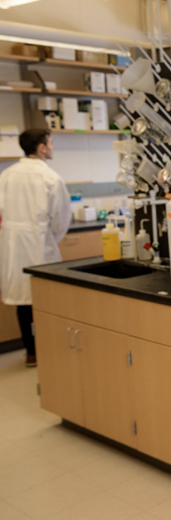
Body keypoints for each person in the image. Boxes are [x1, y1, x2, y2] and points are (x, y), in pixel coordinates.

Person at [0, 128, 70, 368]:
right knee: (44, 299)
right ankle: (48, 348)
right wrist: (51, 239)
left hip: (11, 244)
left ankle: (31, 352)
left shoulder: (6, 175)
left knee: (23, 300)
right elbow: (61, 219)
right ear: (41, 147)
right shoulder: (50, 178)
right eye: (50, 143)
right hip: (40, 243)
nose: (52, 147)